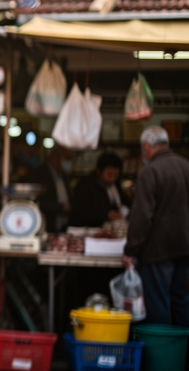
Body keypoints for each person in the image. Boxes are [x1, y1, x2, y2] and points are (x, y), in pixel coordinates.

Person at [122, 126, 189, 326]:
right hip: (186, 250)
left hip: (159, 253)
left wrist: (130, 250)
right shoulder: (187, 166)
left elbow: (142, 216)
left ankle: (162, 356)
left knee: (158, 306)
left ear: (146, 147)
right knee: (183, 303)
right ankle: (180, 354)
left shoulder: (150, 172)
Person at [70, 152, 129, 228]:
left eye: (116, 175)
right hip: (86, 229)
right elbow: (79, 211)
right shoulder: (86, 184)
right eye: (109, 174)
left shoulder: (116, 185)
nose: (112, 179)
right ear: (99, 171)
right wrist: (105, 215)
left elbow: (125, 202)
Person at [26, 146, 72, 233]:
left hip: (64, 227)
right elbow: (37, 201)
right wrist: (61, 208)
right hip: (47, 227)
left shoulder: (64, 176)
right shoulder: (38, 174)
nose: (69, 162)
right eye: (67, 158)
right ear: (55, 158)